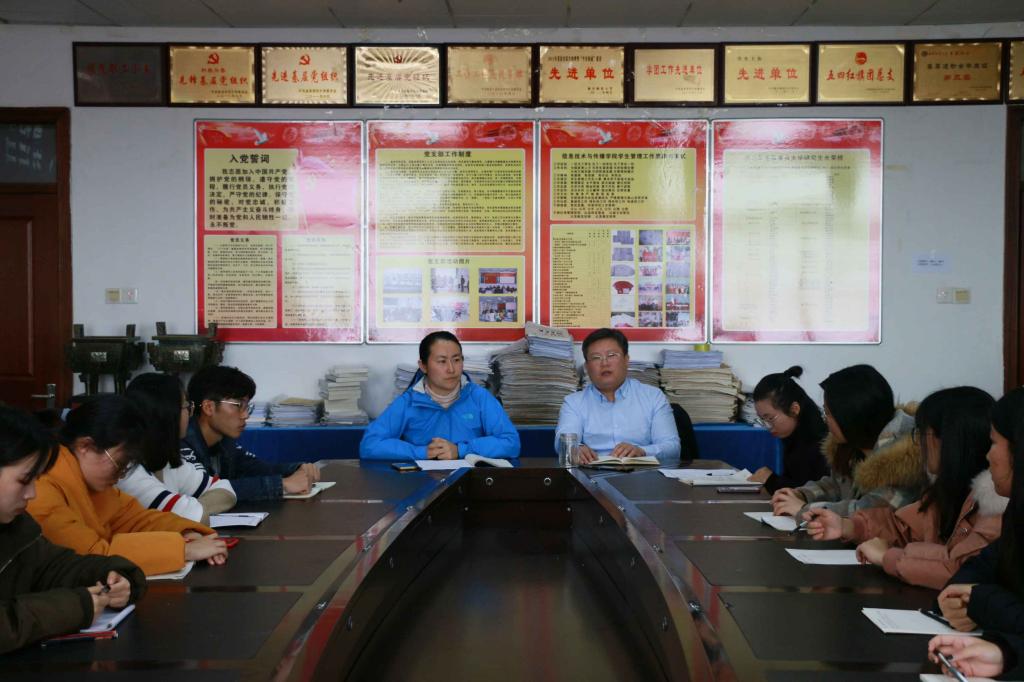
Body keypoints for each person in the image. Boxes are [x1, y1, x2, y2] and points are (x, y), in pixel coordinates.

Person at [803, 386, 1004, 589]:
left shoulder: (997, 502)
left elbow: (960, 567)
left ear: (950, 441)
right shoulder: (946, 488)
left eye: (922, 434)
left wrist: (888, 557)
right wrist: (849, 526)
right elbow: (903, 527)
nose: (919, 443)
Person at [25, 395, 227, 577]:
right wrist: (183, 550)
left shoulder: (87, 478)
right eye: (120, 464)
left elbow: (134, 518)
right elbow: (91, 556)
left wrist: (186, 533)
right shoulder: (40, 486)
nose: (121, 475)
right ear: (85, 446)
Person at [0, 404, 147, 653]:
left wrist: (115, 574)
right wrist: (76, 606)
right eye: (24, 480)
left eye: (35, 480)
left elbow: (55, 566)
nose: (32, 494)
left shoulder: (15, 526)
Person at [771, 364, 923, 518]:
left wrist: (805, 509)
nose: (825, 420)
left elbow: (873, 512)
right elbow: (836, 485)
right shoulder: (853, 446)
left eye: (828, 413)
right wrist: (801, 494)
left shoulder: (904, 456)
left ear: (851, 415)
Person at [936, 388, 1024, 637]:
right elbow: (980, 567)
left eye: (994, 442)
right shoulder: (1016, 513)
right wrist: (958, 601)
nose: (987, 455)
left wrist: (981, 602)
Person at [361, 331, 520, 460]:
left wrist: (460, 450)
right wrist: (422, 452)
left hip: (471, 482)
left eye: (456, 360)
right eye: (442, 361)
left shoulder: (479, 398)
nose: (451, 369)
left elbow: (511, 443)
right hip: (421, 484)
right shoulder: (408, 402)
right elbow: (370, 445)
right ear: (423, 366)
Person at [182, 365, 320, 501]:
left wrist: (296, 468)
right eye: (238, 406)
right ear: (208, 407)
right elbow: (208, 492)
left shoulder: (224, 441)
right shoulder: (182, 444)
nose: (246, 415)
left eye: (247, 407)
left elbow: (255, 468)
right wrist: (283, 485)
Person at [118, 372, 237, 524]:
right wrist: (194, 511)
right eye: (187, 407)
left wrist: (193, 509)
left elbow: (225, 488)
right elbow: (192, 517)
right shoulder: (127, 472)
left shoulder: (164, 460)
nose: (190, 414)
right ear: (168, 413)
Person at [555, 328, 680, 465]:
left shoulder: (653, 397)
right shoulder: (573, 403)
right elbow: (562, 442)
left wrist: (642, 451)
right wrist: (575, 449)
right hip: (592, 473)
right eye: (596, 358)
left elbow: (672, 448)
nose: (604, 363)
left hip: (643, 473)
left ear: (626, 360)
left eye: (612, 355)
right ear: (587, 367)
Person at [746, 366, 829, 493]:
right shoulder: (792, 436)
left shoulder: (821, 445)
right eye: (762, 420)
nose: (768, 427)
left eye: (770, 418)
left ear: (794, 409)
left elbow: (815, 492)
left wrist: (770, 479)